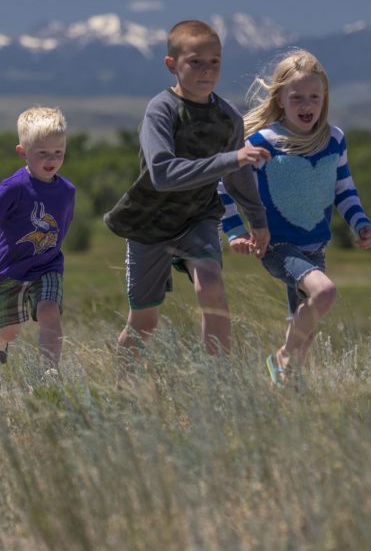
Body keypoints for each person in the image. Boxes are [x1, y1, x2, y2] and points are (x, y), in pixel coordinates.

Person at [104, 20, 271, 362]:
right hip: (149, 223)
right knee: (144, 322)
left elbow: (237, 177)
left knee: (211, 286)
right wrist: (230, 158)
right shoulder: (161, 110)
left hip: (198, 217)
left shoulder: (229, 120)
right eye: (195, 61)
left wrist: (257, 218)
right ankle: (121, 391)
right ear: (172, 65)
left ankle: (219, 386)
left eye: (215, 62)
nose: (206, 70)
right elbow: (163, 173)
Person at [219, 49, 371, 387]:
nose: (307, 105)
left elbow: (344, 189)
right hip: (277, 244)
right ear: (280, 99)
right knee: (325, 293)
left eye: (314, 97)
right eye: (297, 97)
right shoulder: (264, 142)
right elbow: (223, 186)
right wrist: (233, 232)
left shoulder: (334, 140)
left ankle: (286, 397)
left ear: (325, 98)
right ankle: (282, 356)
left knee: (304, 333)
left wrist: (359, 222)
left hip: (316, 246)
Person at [0, 106, 75, 369]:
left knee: (50, 311)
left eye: (58, 152)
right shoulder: (12, 188)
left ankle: (49, 373)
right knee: (11, 332)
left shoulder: (66, 191)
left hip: (48, 266)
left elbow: (63, 226)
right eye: (42, 153)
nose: (51, 159)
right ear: (23, 152)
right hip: (11, 271)